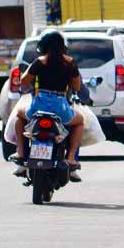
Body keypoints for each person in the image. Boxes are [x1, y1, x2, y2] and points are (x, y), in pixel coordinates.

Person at [12, 30, 86, 181]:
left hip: (39, 106)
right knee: (80, 121)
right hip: (61, 108)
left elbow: (24, 82)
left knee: (19, 115)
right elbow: (77, 87)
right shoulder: (69, 62)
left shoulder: (40, 61)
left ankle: (20, 152)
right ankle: (71, 158)